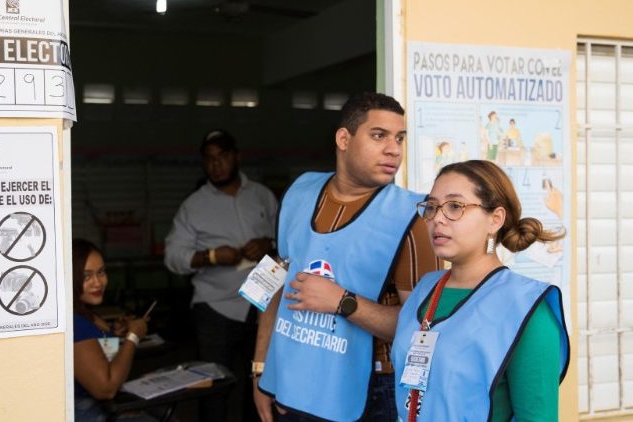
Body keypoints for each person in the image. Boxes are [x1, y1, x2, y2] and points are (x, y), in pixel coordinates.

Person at [253, 92, 440, 422]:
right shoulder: (300, 191)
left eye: (400, 138)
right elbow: (275, 282)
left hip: (372, 389)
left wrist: (343, 302)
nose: (393, 149)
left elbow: (421, 328)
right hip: (296, 376)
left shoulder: (413, 217)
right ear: (344, 138)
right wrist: (261, 369)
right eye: (379, 135)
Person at [392, 160, 570, 421]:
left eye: (455, 206)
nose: (437, 218)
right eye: (431, 207)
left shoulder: (526, 307)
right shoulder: (425, 289)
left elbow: (537, 416)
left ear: (495, 219)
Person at [164, 129, 278, 422]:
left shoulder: (262, 196)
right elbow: (173, 257)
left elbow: (287, 242)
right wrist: (212, 256)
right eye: (209, 159)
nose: (216, 165)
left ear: (237, 157)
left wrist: (269, 243)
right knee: (213, 386)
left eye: (223, 157)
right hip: (215, 308)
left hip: (262, 306)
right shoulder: (193, 206)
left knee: (261, 380)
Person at [72, 238, 156, 422]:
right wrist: (132, 338)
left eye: (101, 272)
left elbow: (92, 353)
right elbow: (106, 388)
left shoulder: (85, 314)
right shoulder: (74, 322)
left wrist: (113, 334)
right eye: (86, 276)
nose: (98, 282)